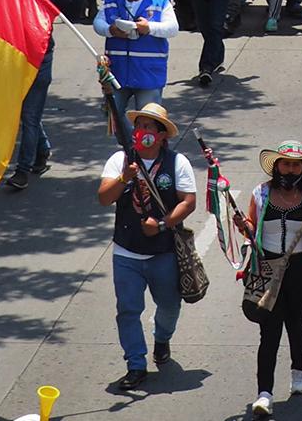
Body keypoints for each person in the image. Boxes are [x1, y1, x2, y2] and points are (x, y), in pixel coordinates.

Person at [231, 140, 302, 417]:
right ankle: (264, 393)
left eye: (295, 165)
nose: (290, 170)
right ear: (276, 166)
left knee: (296, 323)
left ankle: (298, 373)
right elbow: (252, 232)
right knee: (269, 331)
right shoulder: (261, 194)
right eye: (286, 164)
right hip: (267, 271)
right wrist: (244, 226)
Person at [97, 102, 198, 391]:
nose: (143, 132)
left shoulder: (178, 163)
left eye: (150, 127)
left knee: (168, 305)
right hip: (126, 252)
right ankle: (135, 364)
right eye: (139, 126)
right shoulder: (120, 160)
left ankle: (162, 337)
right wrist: (124, 179)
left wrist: (163, 224)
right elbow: (104, 198)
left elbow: (188, 202)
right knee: (128, 310)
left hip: (163, 252)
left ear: (163, 135)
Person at [7, 0, 86, 190]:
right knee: (24, 113)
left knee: (30, 116)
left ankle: (22, 170)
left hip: (40, 60)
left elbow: (74, 14)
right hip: (11, 59)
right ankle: (42, 150)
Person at [95, 0, 180, 114]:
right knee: (114, 120)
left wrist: (149, 28)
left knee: (148, 124)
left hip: (149, 75)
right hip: (117, 73)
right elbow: (98, 23)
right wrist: (110, 30)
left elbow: (173, 28)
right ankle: (126, 142)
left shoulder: (160, 0)